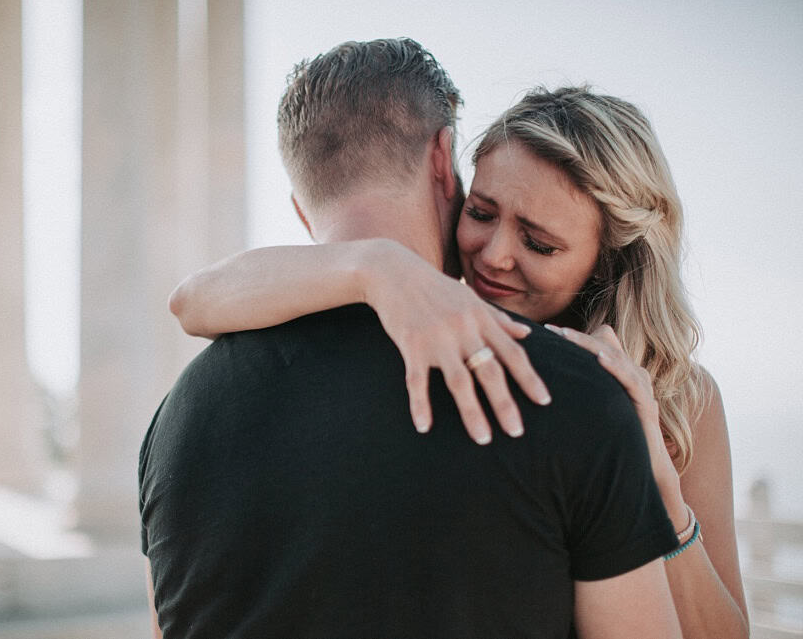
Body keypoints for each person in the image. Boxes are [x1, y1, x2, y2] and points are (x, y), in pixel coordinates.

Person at [169, 71, 749, 636]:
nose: (494, 256)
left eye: (539, 243)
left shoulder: (682, 399)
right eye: (482, 212)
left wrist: (657, 486)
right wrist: (377, 267)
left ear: (608, 261)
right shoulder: (426, 324)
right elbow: (195, 300)